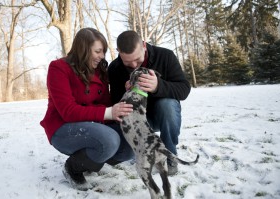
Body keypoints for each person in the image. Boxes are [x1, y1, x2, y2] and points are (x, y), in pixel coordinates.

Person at [40, 28, 134, 190]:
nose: (102, 56)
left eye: (103, 52)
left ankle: (90, 162)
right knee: (110, 139)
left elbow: (105, 105)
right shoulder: (58, 68)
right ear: (83, 48)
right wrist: (107, 112)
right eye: (98, 51)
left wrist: (127, 95)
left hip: (93, 125)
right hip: (62, 130)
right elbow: (68, 111)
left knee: (130, 142)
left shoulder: (100, 71)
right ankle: (73, 168)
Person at [108, 30, 191, 175]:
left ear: (144, 45)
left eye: (137, 60)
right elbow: (115, 103)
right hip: (138, 119)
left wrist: (158, 86)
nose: (134, 65)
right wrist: (126, 92)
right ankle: (143, 152)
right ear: (118, 52)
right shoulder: (114, 68)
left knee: (167, 105)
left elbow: (184, 89)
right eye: (127, 62)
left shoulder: (165, 56)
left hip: (163, 115)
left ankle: (170, 155)